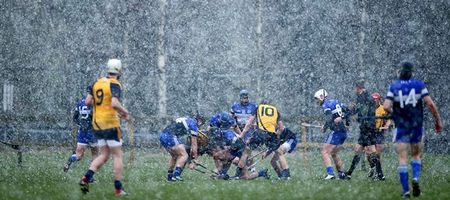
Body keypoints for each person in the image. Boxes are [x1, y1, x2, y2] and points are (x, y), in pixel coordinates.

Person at [383, 61, 442, 198]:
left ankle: (406, 191)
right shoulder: (419, 85)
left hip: (402, 126)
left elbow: (386, 106)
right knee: (416, 155)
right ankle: (415, 178)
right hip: (416, 125)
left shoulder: (394, 86)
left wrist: (395, 113)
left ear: (400, 72)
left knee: (402, 158)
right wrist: (437, 120)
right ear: (411, 72)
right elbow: (430, 104)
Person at [79, 58, 129, 196]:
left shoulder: (97, 82)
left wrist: (101, 104)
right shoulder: (115, 83)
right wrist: (124, 112)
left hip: (97, 123)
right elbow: (114, 103)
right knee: (117, 155)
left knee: (104, 154)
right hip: (111, 123)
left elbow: (88, 101)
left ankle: (86, 177)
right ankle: (118, 189)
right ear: (119, 70)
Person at [344, 80, 385, 181]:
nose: (354, 90)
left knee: (371, 150)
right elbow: (359, 110)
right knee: (358, 150)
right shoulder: (365, 97)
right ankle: (349, 174)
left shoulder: (363, 97)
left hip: (368, 128)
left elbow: (358, 110)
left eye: (355, 88)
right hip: (366, 128)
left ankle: (380, 174)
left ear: (358, 88)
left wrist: (345, 115)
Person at [237, 99, 283, 180]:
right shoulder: (275, 111)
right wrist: (277, 134)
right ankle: (284, 175)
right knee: (279, 154)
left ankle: (237, 174)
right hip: (271, 135)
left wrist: (242, 134)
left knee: (246, 152)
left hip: (260, 133)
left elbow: (249, 123)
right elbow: (281, 128)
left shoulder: (259, 108)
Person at [313, 89, 350, 180]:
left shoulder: (326, 105)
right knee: (334, 153)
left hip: (337, 132)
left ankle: (330, 174)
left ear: (322, 97)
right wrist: (347, 123)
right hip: (343, 132)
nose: (316, 101)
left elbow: (329, 120)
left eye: (317, 99)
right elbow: (348, 111)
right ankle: (342, 174)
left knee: (324, 152)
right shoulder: (336, 101)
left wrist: (325, 127)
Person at [63, 96, 98, 180]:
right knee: (95, 154)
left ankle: (70, 160)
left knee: (79, 155)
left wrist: (81, 125)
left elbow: (74, 118)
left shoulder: (80, 102)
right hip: (92, 131)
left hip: (82, 132)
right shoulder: (95, 103)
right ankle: (90, 177)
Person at [159, 116, 201, 181]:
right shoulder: (193, 125)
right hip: (170, 136)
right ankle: (176, 175)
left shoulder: (187, 119)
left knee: (174, 156)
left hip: (162, 135)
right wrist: (195, 159)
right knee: (184, 155)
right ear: (198, 121)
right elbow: (194, 144)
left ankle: (170, 176)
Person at [371, 92, 391, 163]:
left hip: (379, 131)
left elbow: (389, 118)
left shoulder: (383, 108)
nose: (374, 100)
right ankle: (369, 165)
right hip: (370, 132)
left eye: (376, 99)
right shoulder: (369, 108)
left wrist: (386, 125)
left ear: (379, 100)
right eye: (373, 99)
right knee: (370, 151)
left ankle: (379, 168)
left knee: (379, 149)